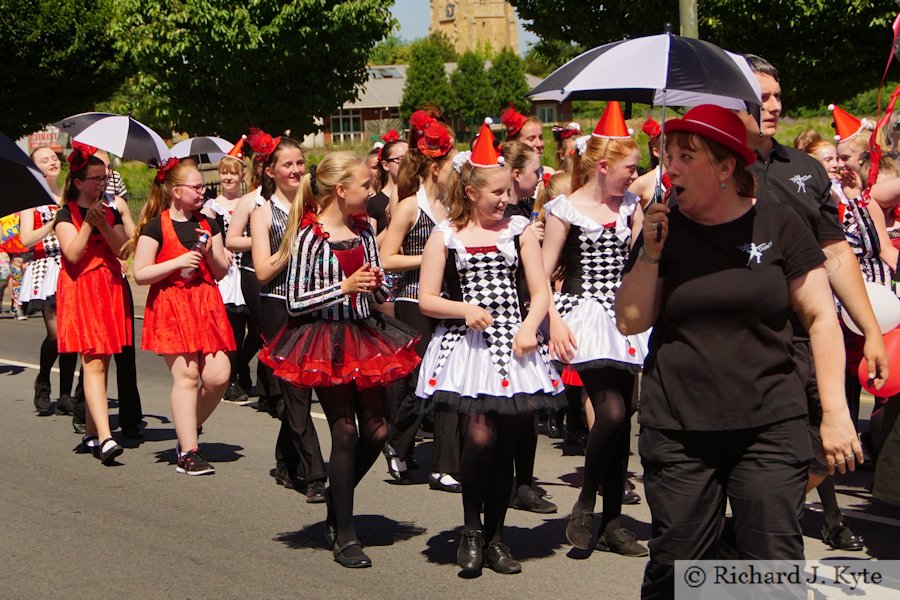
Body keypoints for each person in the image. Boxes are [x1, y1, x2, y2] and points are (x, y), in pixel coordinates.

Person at [615, 103, 862, 599]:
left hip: (770, 423)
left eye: (687, 156)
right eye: (669, 155)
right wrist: (650, 251)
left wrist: (835, 413)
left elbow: (820, 318)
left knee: (773, 567)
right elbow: (631, 321)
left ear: (726, 167)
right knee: (676, 567)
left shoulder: (780, 224)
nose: (671, 168)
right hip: (680, 428)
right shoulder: (661, 229)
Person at [737, 55, 885, 551]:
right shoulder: (715, 167)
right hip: (739, 348)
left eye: (778, 95)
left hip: (809, 339)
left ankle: (753, 530)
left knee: (831, 450)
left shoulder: (803, 169)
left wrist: (870, 331)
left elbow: (836, 251)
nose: (775, 105)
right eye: (763, 97)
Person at [258, 152, 420, 568]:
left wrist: (380, 286)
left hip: (363, 334)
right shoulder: (310, 236)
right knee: (345, 432)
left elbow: (375, 290)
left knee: (379, 430)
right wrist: (343, 286)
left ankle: (336, 494)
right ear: (341, 190)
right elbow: (295, 301)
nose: (373, 191)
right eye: (366, 185)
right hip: (324, 340)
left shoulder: (364, 231)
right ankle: (345, 533)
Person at [416, 121, 563, 574]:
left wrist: (530, 327)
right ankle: (471, 528)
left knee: (508, 442)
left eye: (506, 191)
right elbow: (426, 299)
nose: (504, 199)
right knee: (479, 438)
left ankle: (496, 537)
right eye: (496, 192)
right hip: (469, 348)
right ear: (472, 192)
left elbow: (540, 291)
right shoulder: (446, 234)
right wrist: (463, 310)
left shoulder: (519, 228)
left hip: (515, 346)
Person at [542, 101, 649, 557]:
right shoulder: (563, 209)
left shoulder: (633, 205)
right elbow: (542, 274)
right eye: (629, 166)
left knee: (624, 419)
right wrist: (553, 321)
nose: (634, 173)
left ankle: (611, 522)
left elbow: (643, 264)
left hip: (626, 316)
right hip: (584, 314)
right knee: (609, 413)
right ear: (603, 166)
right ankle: (586, 502)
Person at [130, 158, 234, 475]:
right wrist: (176, 262)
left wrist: (216, 253)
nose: (203, 191)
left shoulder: (209, 223)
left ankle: (187, 428)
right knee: (187, 377)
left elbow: (219, 271)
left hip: (206, 302)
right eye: (197, 186)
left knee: (218, 376)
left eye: (203, 186)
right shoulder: (154, 226)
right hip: (171, 304)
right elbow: (141, 273)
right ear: (176, 191)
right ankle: (189, 451)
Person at [380, 115, 460, 489]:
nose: (457, 171)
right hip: (412, 298)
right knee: (419, 380)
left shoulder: (454, 204)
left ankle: (445, 465)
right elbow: (386, 257)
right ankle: (395, 443)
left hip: (447, 301)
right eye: (452, 165)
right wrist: (430, 258)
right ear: (435, 168)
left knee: (447, 382)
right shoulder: (411, 206)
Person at [247, 131, 327, 500]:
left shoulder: (318, 206)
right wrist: (293, 241)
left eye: (300, 163)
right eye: (288, 164)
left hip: (316, 302)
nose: (296, 170)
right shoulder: (263, 214)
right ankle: (315, 474)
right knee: (295, 391)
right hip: (278, 303)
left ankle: (284, 460)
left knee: (309, 385)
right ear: (270, 171)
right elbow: (262, 271)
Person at [54, 143, 131, 465]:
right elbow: (72, 254)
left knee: (104, 361)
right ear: (78, 181)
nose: (101, 183)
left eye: (104, 178)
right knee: (93, 362)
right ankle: (105, 436)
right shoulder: (64, 214)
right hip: (81, 289)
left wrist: (102, 224)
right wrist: (88, 224)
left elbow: (124, 250)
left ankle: (90, 431)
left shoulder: (110, 211)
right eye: (95, 178)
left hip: (109, 288)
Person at [18, 147, 78, 417]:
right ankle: (43, 379)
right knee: (57, 333)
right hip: (46, 267)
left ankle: (66, 394)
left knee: (72, 334)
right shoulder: (31, 199)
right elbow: (26, 239)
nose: (52, 162)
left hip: (71, 264)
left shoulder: (69, 195)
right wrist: (53, 222)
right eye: (45, 160)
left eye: (54, 158)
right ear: (36, 168)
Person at [203, 140, 252, 402]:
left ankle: (241, 367)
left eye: (234, 172)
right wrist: (218, 251)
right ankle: (231, 380)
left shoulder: (250, 202)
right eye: (224, 172)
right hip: (228, 272)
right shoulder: (211, 207)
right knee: (232, 328)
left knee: (254, 328)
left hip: (249, 268)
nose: (228, 176)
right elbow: (206, 238)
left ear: (242, 175)